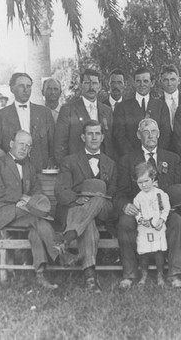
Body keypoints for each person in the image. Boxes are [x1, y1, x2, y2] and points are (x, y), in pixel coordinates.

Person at [114, 118, 181, 289]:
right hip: (139, 211)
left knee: (177, 221)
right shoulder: (127, 160)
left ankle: (174, 274)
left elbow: (179, 189)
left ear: (159, 134)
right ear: (139, 135)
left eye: (154, 131)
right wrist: (125, 206)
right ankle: (129, 274)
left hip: (163, 210)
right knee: (124, 222)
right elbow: (119, 192)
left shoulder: (173, 159)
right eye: (146, 132)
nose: (150, 135)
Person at [0, 130, 60, 289]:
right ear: (11, 144)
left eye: (28, 146)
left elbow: (36, 191)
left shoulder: (29, 167)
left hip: (25, 211)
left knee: (35, 228)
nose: (24, 148)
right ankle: (60, 252)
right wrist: (20, 199)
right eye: (21, 144)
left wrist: (29, 201)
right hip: (3, 212)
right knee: (38, 218)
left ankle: (40, 274)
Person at [54, 120, 117, 292]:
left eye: (97, 133)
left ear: (102, 137)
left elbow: (112, 192)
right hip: (77, 208)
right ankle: (91, 279)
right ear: (83, 137)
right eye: (90, 133)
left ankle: (66, 240)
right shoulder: (69, 161)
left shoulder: (110, 163)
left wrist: (96, 199)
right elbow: (61, 190)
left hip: (102, 208)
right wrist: (75, 199)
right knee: (88, 224)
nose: (94, 137)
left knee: (97, 198)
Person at [0, 72, 55, 172]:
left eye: (28, 86)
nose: (25, 90)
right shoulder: (0, 116)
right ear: (12, 89)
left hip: (40, 170)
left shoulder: (44, 113)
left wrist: (51, 163)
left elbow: (53, 142)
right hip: (12, 173)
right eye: (21, 86)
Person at [54, 69, 114, 163]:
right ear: (81, 85)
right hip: (76, 168)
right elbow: (60, 144)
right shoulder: (68, 110)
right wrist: (66, 168)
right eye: (87, 83)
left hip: (102, 168)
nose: (91, 87)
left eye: (94, 83)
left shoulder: (107, 111)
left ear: (100, 86)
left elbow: (110, 143)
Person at [113, 67, 171, 157]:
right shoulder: (122, 107)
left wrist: (154, 154)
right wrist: (133, 157)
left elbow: (166, 135)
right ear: (134, 83)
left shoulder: (161, 106)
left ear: (152, 83)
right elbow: (119, 136)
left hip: (156, 158)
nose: (142, 84)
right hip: (131, 159)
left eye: (145, 81)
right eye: (138, 81)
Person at [132, 162, 171, 286]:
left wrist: (162, 220)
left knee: (159, 251)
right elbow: (137, 213)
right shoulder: (138, 198)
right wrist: (141, 220)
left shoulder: (160, 194)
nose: (144, 185)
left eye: (146, 181)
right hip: (144, 229)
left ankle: (160, 275)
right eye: (140, 182)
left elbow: (166, 209)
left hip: (158, 227)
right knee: (144, 252)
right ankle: (144, 275)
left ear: (153, 178)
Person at [159, 64, 181, 130]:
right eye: (166, 80)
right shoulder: (156, 104)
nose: (169, 83)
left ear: (179, 80)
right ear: (161, 82)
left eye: (173, 79)